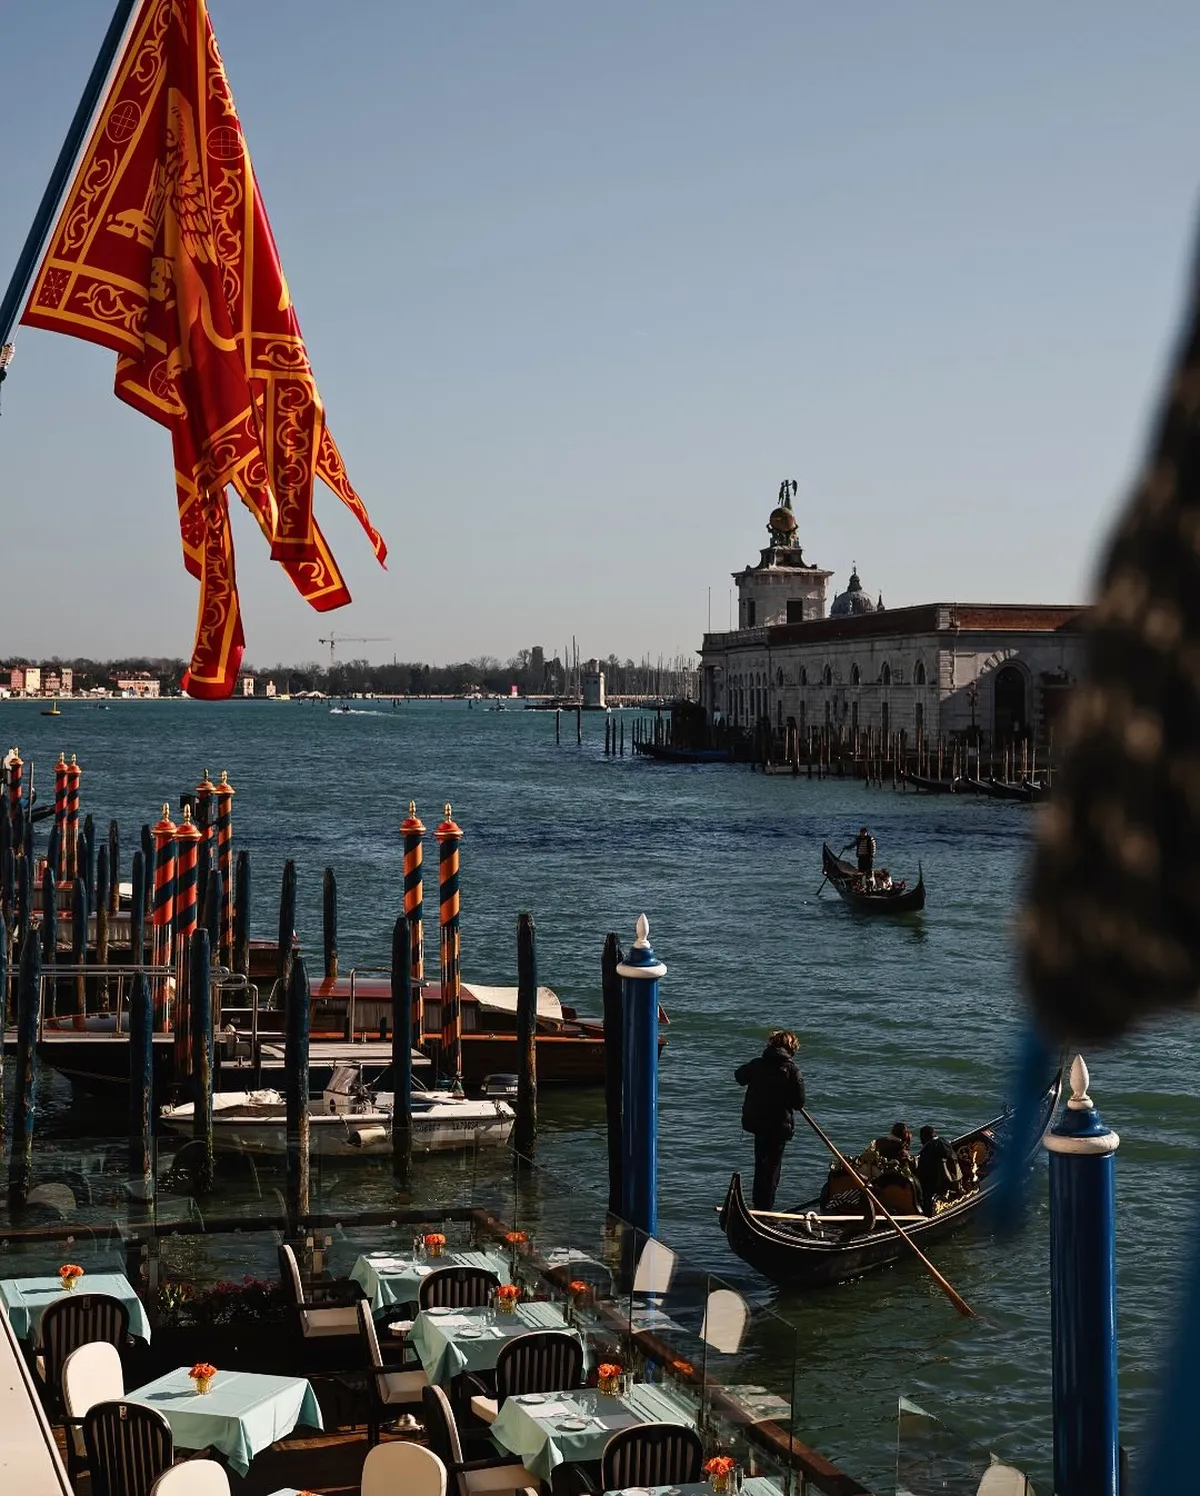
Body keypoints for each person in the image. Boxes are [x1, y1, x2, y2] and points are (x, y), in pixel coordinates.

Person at [734, 1030, 806, 1211]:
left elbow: (739, 1076)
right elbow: (799, 1102)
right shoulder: (792, 1069)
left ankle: (758, 1206)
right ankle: (765, 1209)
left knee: (761, 1165)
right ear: (791, 1048)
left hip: (758, 1124)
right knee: (772, 1170)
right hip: (778, 1127)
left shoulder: (757, 1064)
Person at [916, 1124, 960, 1214]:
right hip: (953, 1178)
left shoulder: (928, 1150)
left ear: (924, 1137)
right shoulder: (945, 1143)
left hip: (935, 1186)